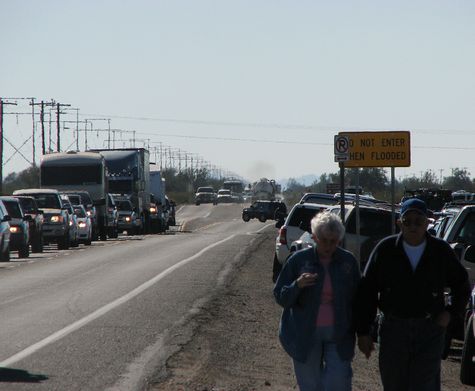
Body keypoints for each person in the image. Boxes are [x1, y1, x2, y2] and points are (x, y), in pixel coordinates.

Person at [354, 198, 471, 391]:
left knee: (423, 385)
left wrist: (450, 313)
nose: (413, 226)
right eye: (408, 221)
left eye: (419, 221)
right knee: (394, 384)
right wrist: (363, 331)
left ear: (427, 223)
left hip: (430, 330)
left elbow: (462, 286)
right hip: (393, 329)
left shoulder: (440, 251)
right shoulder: (385, 250)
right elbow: (367, 291)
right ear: (399, 223)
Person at [274, 211, 360, 391]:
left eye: (333, 241)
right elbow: (280, 295)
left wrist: (364, 331)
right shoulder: (298, 260)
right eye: (324, 240)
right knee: (310, 385)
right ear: (314, 237)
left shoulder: (348, 262)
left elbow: (358, 298)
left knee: (338, 383)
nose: (328, 246)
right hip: (304, 334)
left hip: (339, 333)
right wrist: (297, 285)